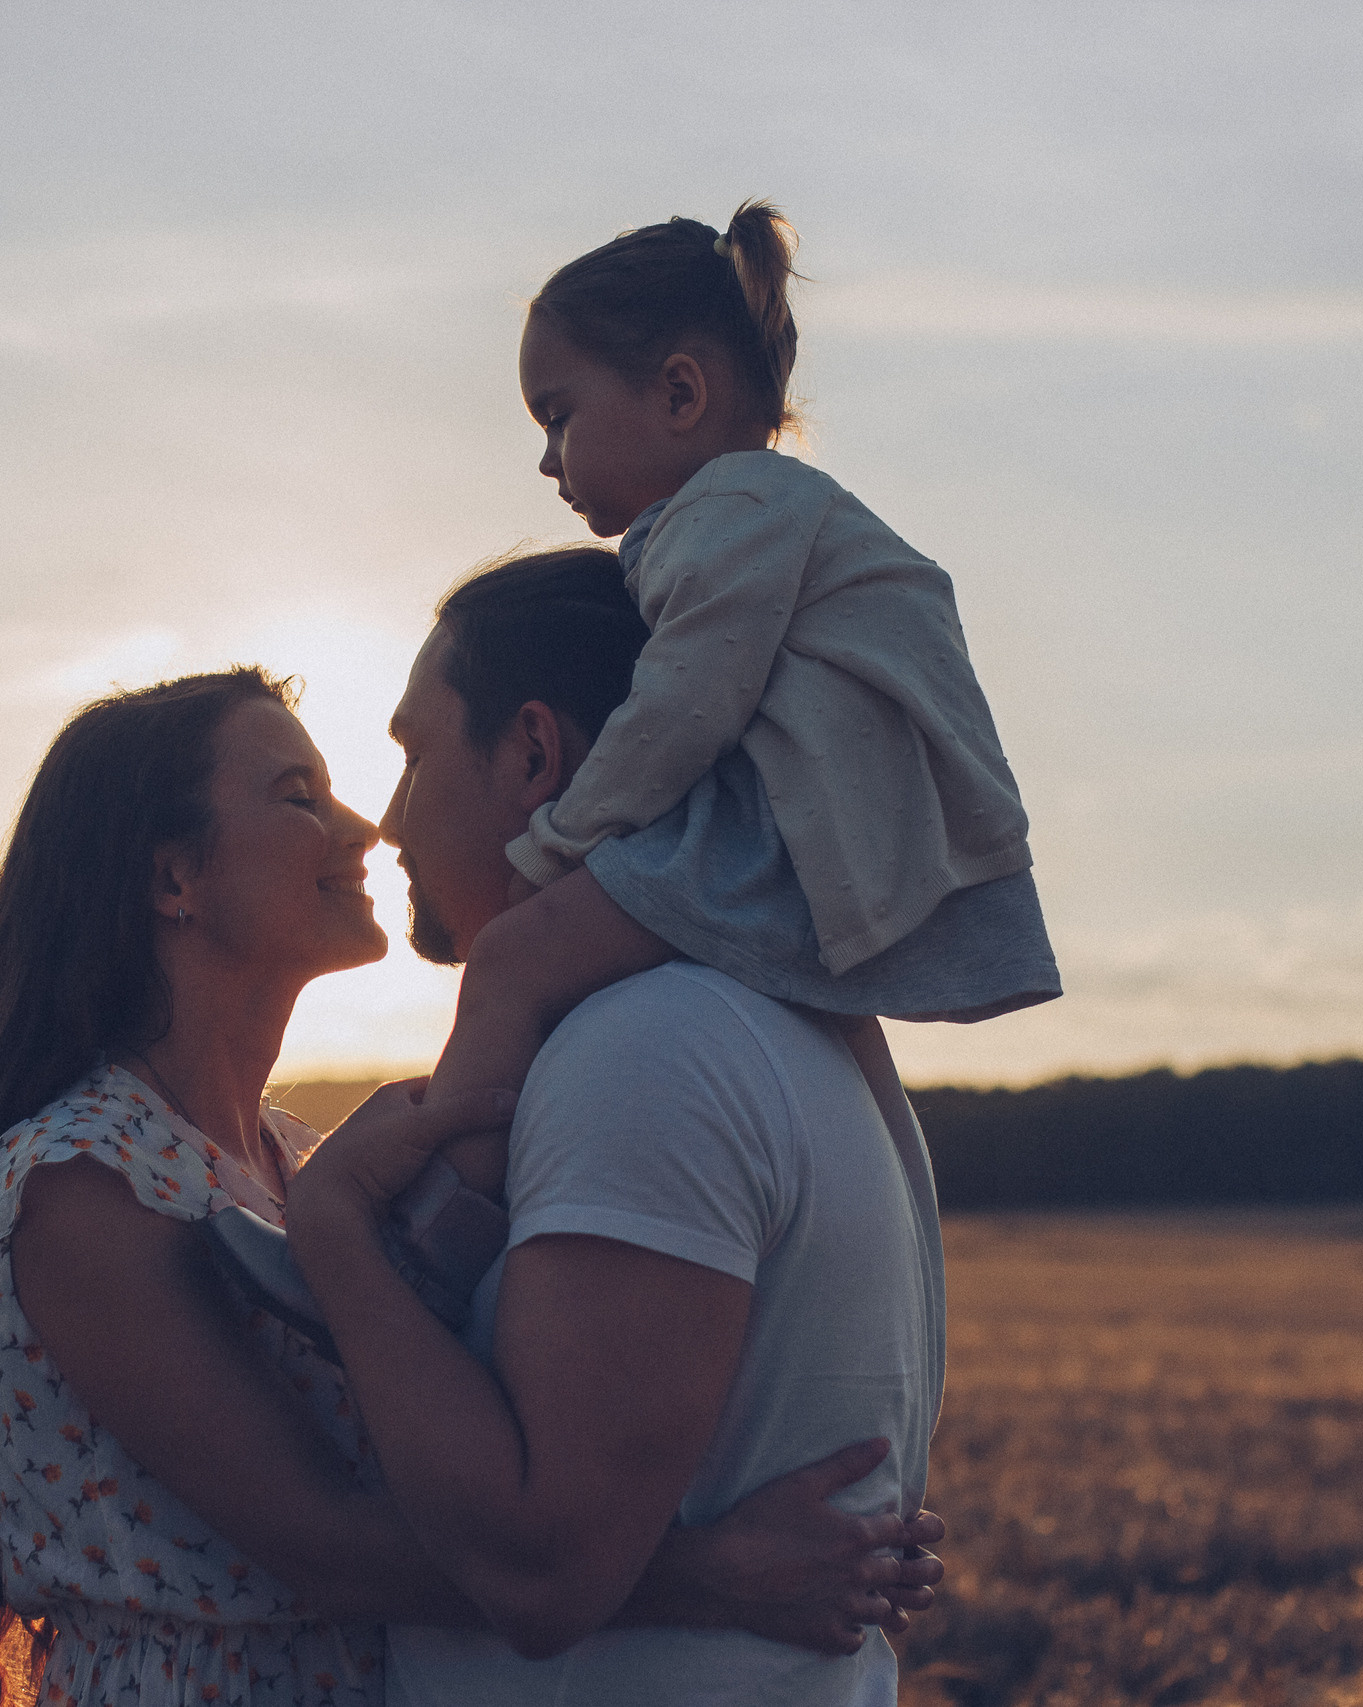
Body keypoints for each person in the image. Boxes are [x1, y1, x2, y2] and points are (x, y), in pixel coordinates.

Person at [0, 666, 946, 1707]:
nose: (363, 826)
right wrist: (717, 1574)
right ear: (172, 880)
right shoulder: (79, 1187)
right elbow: (328, 1545)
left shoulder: (293, 1160)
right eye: (297, 796)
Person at [208, 201, 1057, 1332]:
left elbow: (678, 713)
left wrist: (558, 849)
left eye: (558, 417)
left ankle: (406, 1253)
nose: (546, 459)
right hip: (794, 831)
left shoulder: (736, 511)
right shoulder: (744, 519)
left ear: (677, 393)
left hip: (778, 843)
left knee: (511, 963)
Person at [286, 548, 955, 1705]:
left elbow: (541, 1572)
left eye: (411, 752)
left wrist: (333, 1229)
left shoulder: (651, 1050)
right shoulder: (784, 1032)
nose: (388, 821)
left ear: (535, 752)